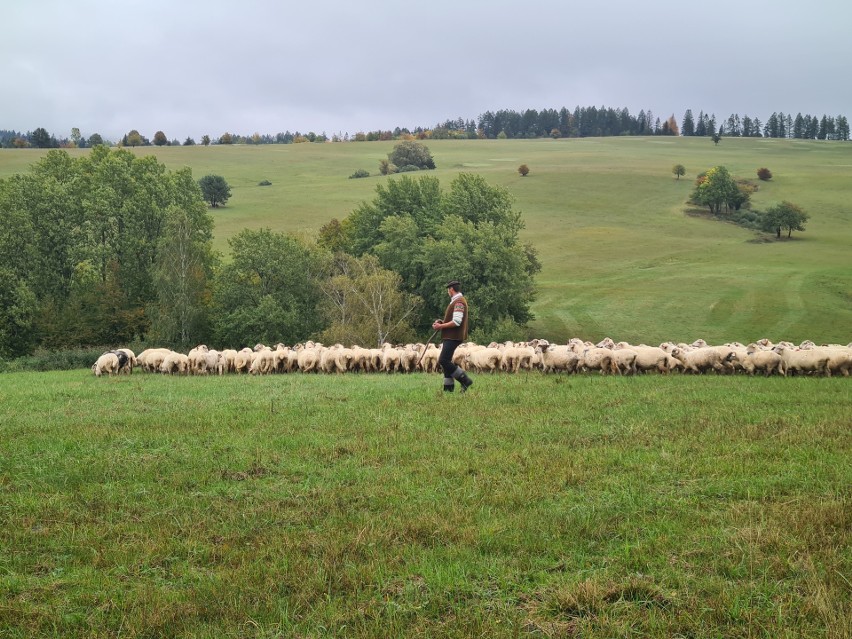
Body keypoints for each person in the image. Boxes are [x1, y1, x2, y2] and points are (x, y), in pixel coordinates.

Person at [432, 280, 474, 393]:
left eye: (448, 290)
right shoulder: (456, 301)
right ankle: (448, 389)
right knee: (447, 362)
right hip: (451, 336)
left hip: (453, 336)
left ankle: (465, 379)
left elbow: (456, 322)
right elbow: (454, 320)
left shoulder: (459, 302)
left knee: (443, 360)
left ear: (451, 289)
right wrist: (442, 323)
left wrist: (440, 327)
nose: (447, 292)